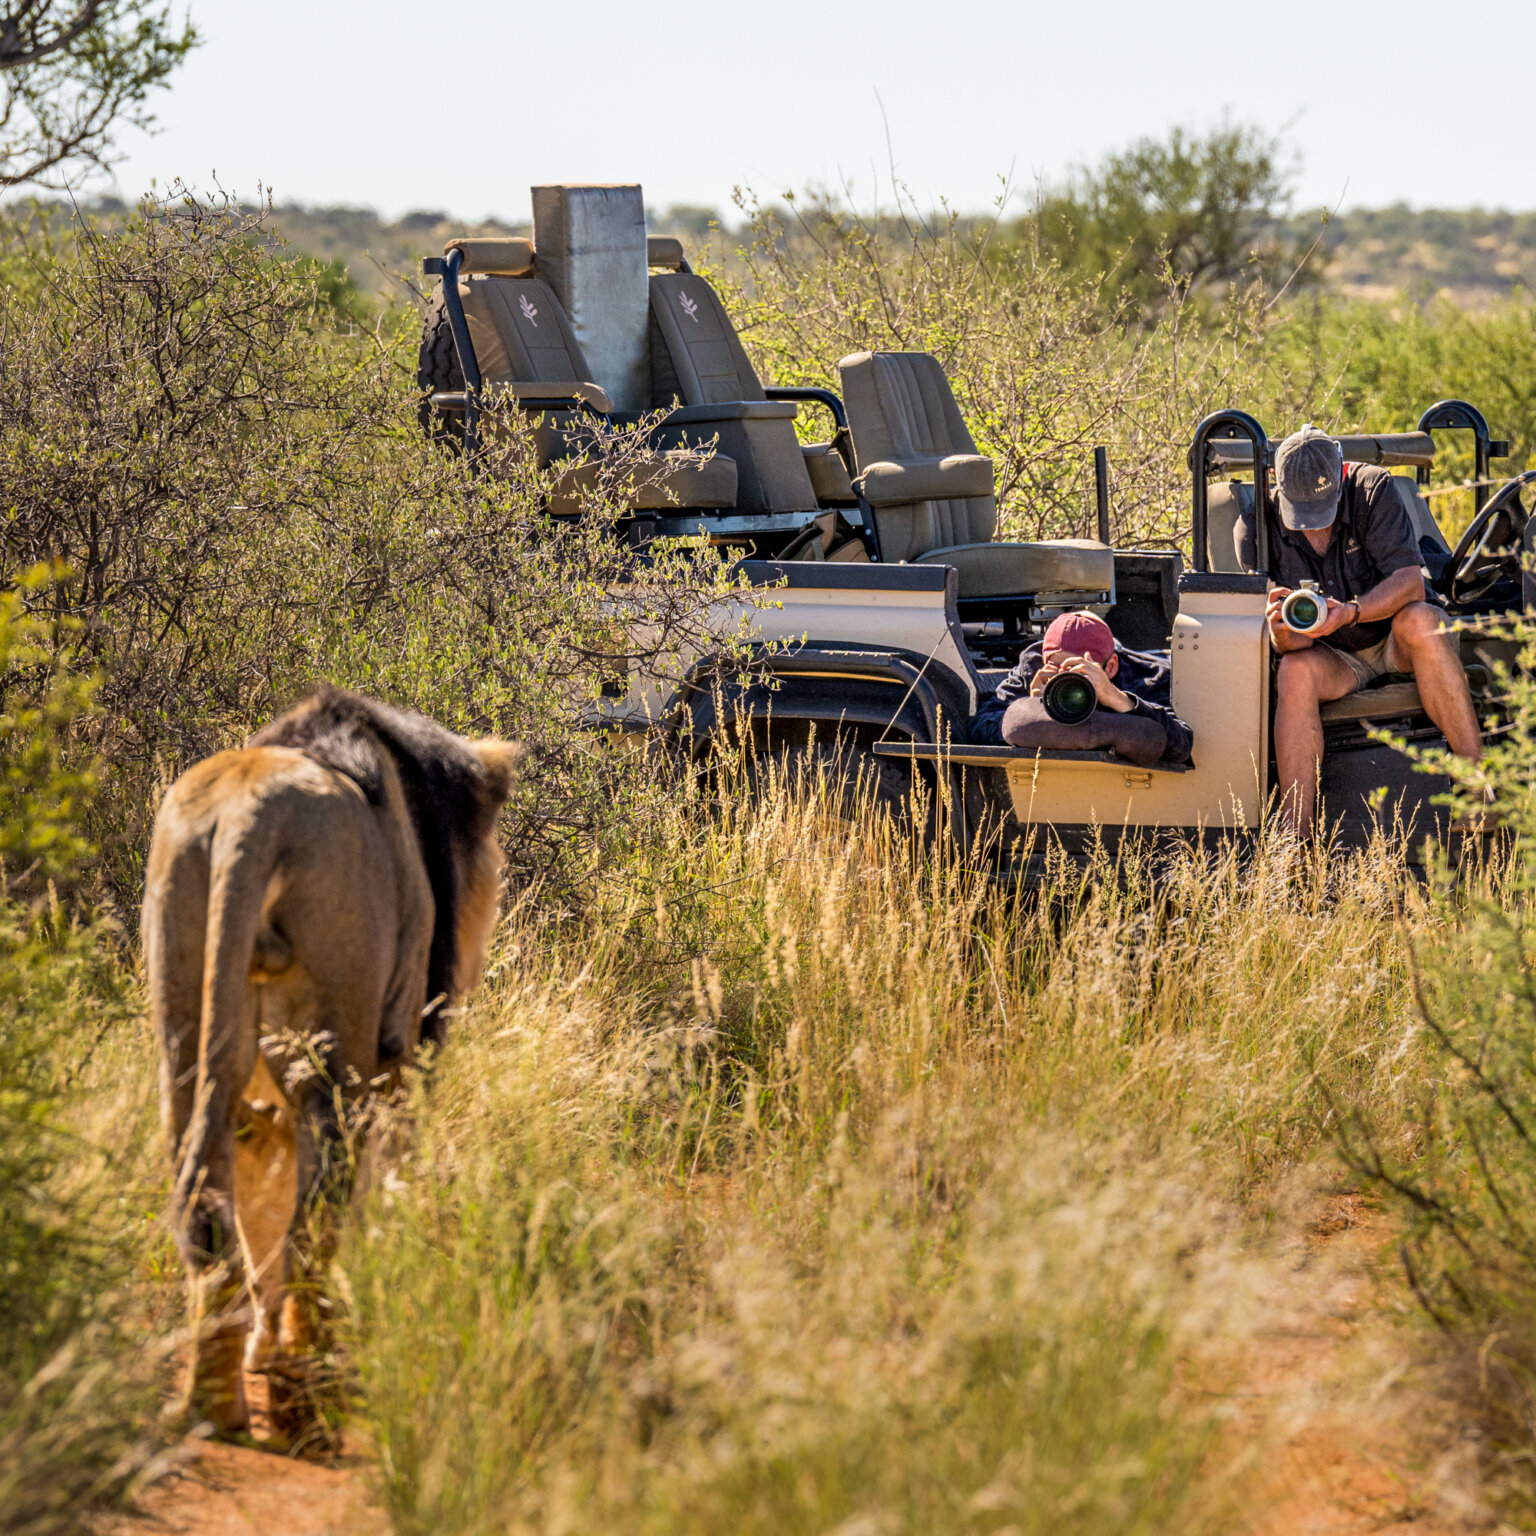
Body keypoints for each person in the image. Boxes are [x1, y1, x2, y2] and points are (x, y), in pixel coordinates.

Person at [1239, 424, 1482, 835]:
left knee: (1421, 621)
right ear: (1276, 485)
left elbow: (1410, 583)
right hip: (1331, 653)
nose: (1313, 528)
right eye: (1301, 516)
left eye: (1322, 513)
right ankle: (1295, 840)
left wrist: (1350, 612)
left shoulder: (1373, 488)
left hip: (1395, 638)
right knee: (1293, 671)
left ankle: (1478, 790)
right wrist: (1281, 632)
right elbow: (1283, 639)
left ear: (1341, 475)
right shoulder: (1255, 524)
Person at [970, 610, 1194, 767]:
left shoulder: (1146, 676)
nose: (1066, 681)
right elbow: (979, 729)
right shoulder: (1034, 667)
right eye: (1058, 669)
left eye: (1077, 670)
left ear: (1111, 667)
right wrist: (1033, 705)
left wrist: (1119, 700)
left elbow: (1182, 746)